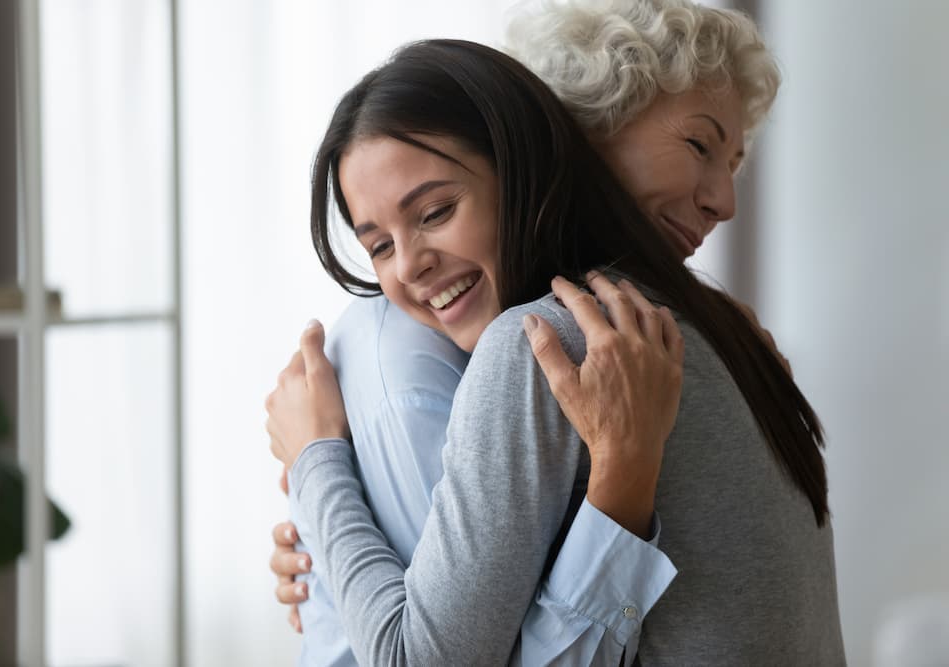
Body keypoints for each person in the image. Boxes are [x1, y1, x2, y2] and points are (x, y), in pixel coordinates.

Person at [267, 32, 844, 667]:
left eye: (435, 212)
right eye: (377, 245)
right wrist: (321, 571)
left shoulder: (543, 345)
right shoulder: (718, 330)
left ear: (519, 165)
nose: (408, 266)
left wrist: (318, 464)